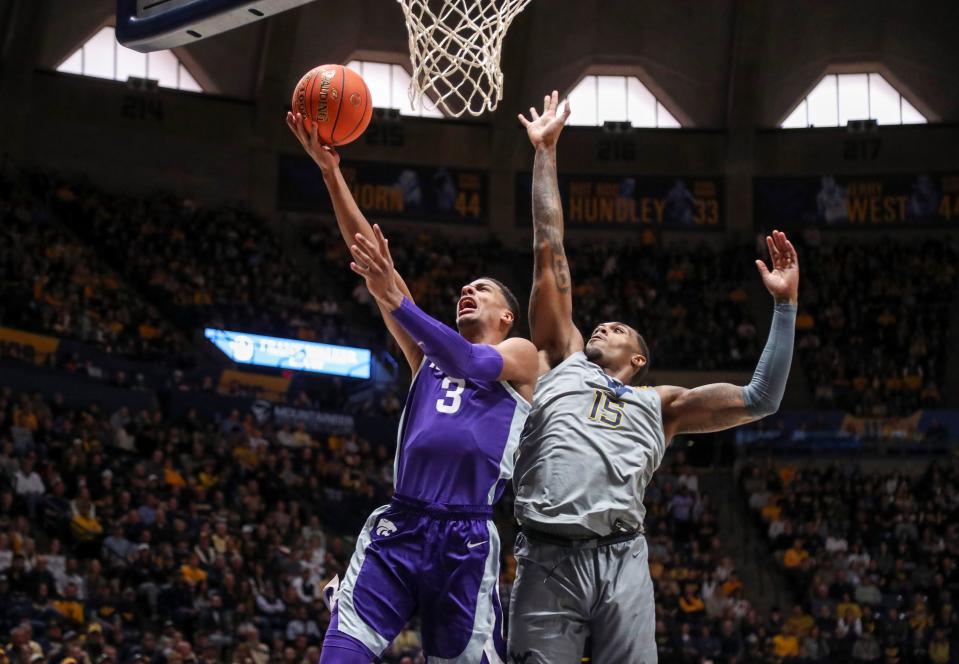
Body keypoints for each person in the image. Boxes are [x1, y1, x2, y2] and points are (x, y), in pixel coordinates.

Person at [508, 91, 799, 664]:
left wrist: (785, 308)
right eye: (603, 323)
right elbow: (550, 249)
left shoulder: (661, 403)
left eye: (619, 329)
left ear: (639, 359)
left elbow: (762, 399)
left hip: (622, 556)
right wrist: (545, 154)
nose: (604, 323)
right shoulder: (561, 359)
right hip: (545, 555)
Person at [287, 112, 539, 664]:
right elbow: (371, 257)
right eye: (464, 288)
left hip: (467, 538)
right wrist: (331, 173)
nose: (467, 290)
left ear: (506, 316)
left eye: (482, 289)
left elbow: (469, 358)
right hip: (401, 523)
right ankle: (351, 606)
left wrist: (398, 301)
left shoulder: (521, 357)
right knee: (343, 651)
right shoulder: (425, 354)